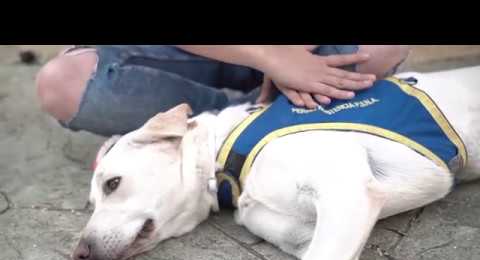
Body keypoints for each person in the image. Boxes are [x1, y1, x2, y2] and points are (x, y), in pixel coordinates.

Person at [35, 45, 410, 137]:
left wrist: (298, 55)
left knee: (382, 46)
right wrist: (270, 57)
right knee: (63, 83)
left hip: (303, 54)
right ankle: (235, 119)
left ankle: (262, 115)